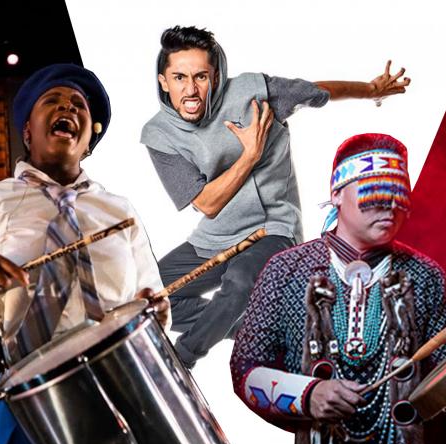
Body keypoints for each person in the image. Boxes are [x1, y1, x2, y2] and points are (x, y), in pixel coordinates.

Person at [141, 25, 411, 368]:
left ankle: (182, 358)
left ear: (217, 75)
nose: (191, 90)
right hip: (215, 237)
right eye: (179, 77)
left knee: (238, 284)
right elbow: (207, 204)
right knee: (149, 298)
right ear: (164, 80)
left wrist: (372, 89)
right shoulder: (159, 135)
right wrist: (250, 155)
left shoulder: (254, 93)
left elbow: (317, 92)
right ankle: (246, 327)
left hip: (271, 229)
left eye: (201, 77)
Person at [230, 133, 446, 444]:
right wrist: (308, 395)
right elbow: (246, 368)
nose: (390, 207)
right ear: (336, 193)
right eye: (375, 195)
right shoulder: (286, 270)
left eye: (398, 196)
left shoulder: (426, 276)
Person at [0, 64, 168, 444]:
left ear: (88, 141)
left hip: (116, 397)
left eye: (78, 106)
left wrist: (154, 308)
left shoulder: (120, 212)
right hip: (17, 397)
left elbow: (153, 301)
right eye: (52, 101)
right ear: (27, 131)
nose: (67, 107)